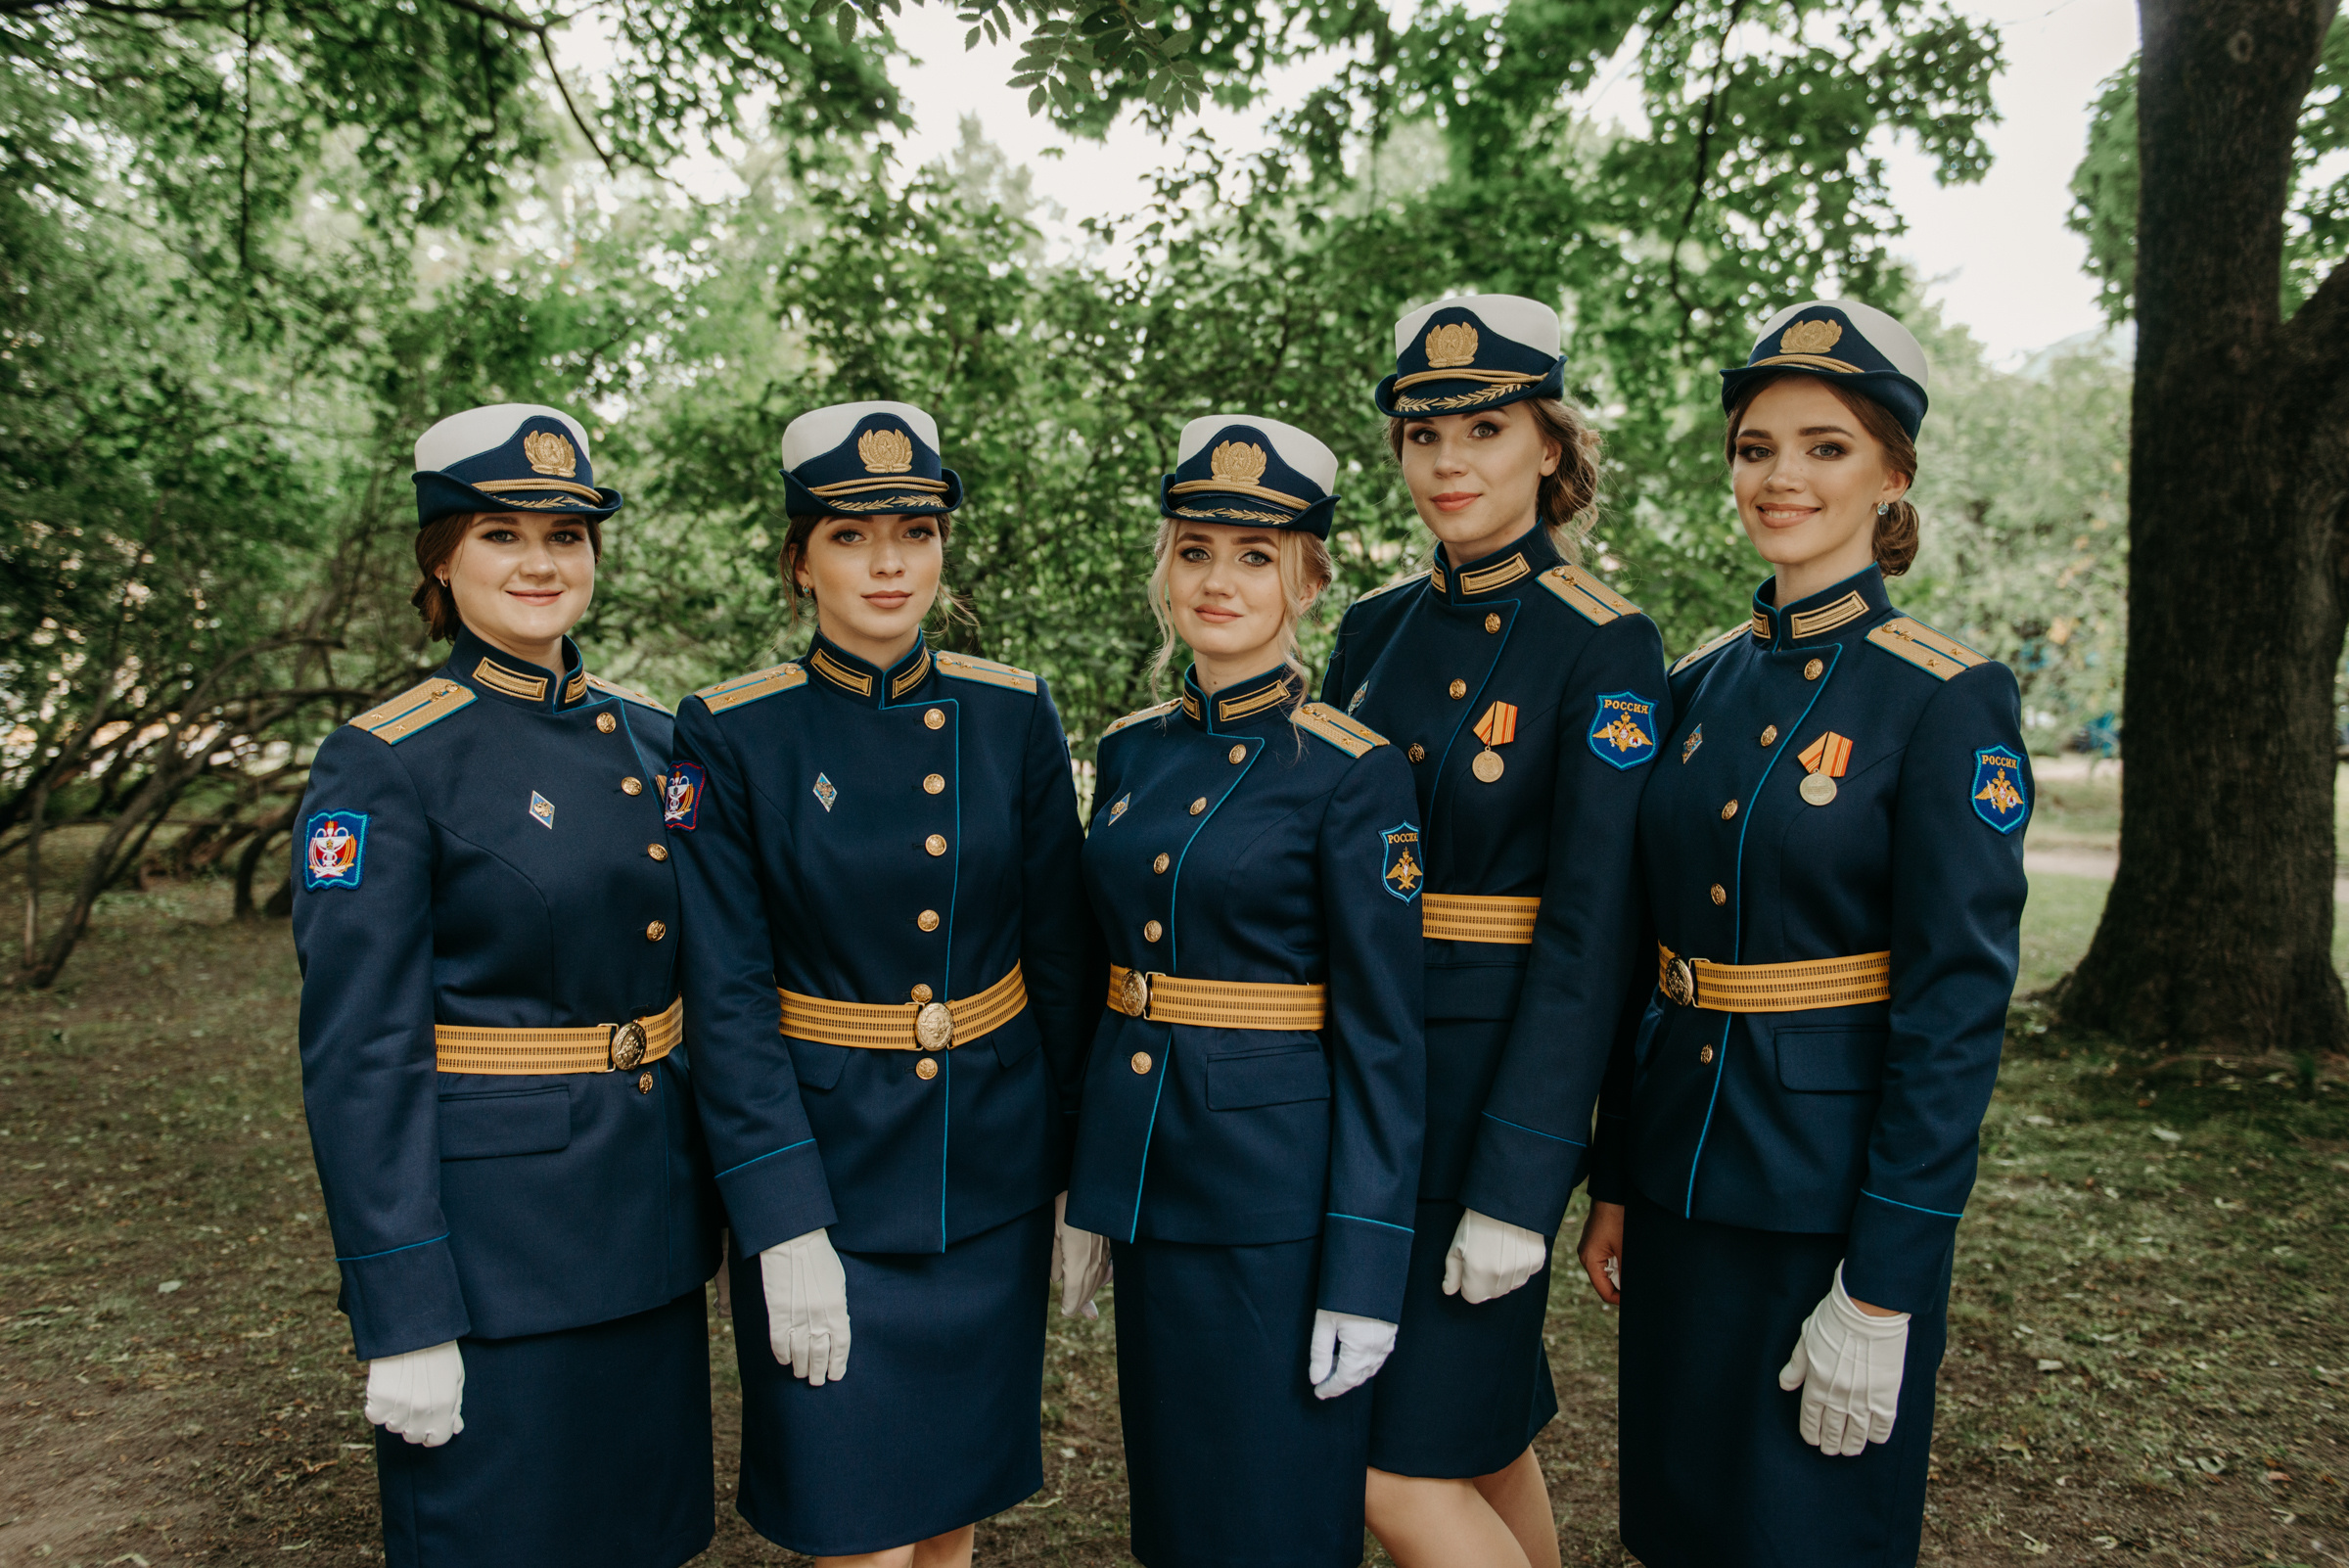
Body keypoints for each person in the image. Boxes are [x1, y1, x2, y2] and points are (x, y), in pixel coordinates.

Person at [1577, 300, 2030, 1566]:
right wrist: (1616, 1179)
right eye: (1757, 446)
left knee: (1806, 1532)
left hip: (1830, 1200)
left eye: (1825, 447)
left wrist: (1885, 1278)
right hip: (1681, 1178)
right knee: (1682, 1521)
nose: (1782, 477)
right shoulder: (1697, 685)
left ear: (1892, 473)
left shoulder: (1944, 695)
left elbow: (1954, 1012)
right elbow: (1643, 954)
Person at [665, 400, 1099, 1568]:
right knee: (853, 1530)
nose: (890, 561)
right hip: (829, 1180)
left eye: (914, 528)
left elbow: (1060, 958)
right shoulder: (730, 732)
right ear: (799, 559)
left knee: (950, 1519)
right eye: (852, 535)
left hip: (990, 1174)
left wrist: (1071, 1174)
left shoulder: (1011, 709)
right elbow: (728, 996)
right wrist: (780, 1221)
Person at [292, 404, 722, 1568]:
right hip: (498, 1263)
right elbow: (360, 1058)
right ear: (440, 558)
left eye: (567, 535)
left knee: (645, 1539)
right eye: (501, 534)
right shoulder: (387, 759)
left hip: (651, 1238)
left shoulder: (652, 742)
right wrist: (405, 1311)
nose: (541, 562)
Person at [1319, 294, 1671, 1568]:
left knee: (1388, 1466)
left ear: (1551, 446)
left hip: (1485, 1107)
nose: (1449, 459)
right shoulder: (1371, 626)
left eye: (1484, 425)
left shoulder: (1606, 642)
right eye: (1423, 433)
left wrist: (1524, 1182)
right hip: (1362, 1085)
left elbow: (1596, 934)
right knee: (1473, 1439)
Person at [1059, 414, 1426, 1568]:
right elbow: (1105, 980)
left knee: (1274, 1508)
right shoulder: (1131, 752)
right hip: (1152, 1182)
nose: (1219, 581)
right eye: (1197, 550)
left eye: (1256, 556)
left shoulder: (1352, 769)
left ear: (1310, 580)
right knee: (1177, 1496)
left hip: (1279, 1201)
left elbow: (1383, 1038)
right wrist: (1084, 1182)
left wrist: (1365, 1268)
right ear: (1164, 566)